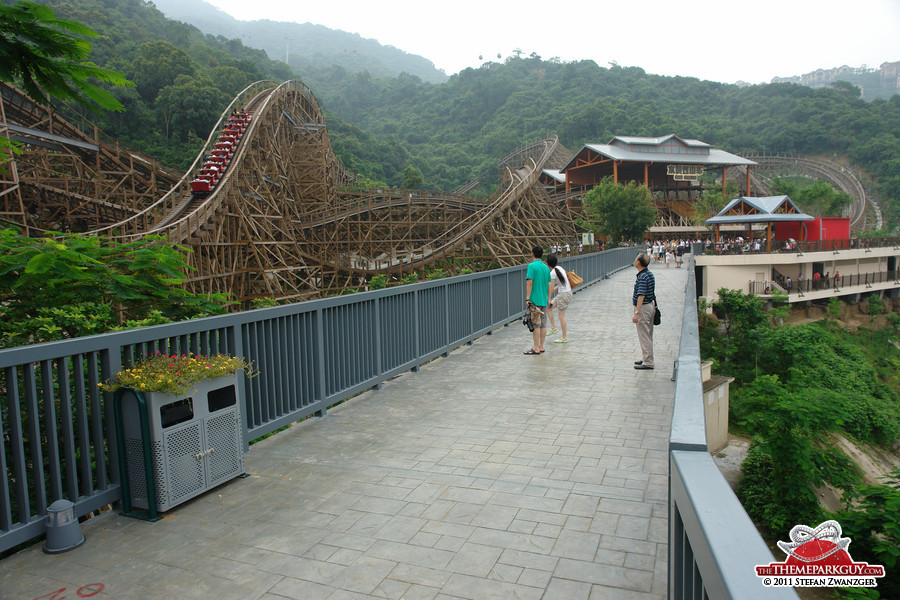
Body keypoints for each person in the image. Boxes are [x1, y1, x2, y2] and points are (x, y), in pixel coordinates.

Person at [524, 245, 551, 355]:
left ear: (532, 254)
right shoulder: (545, 267)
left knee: (535, 324)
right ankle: (541, 346)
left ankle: (535, 348)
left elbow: (529, 282)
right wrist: (548, 298)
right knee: (543, 324)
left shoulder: (531, 266)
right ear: (542, 255)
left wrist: (527, 298)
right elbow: (549, 284)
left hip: (534, 300)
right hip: (544, 299)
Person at [632, 253, 656, 370]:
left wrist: (637, 312)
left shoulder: (642, 277)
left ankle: (648, 362)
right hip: (650, 306)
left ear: (638, 262)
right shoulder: (649, 274)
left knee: (644, 335)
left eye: (636, 259)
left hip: (644, 308)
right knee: (648, 334)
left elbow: (641, 296)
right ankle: (647, 357)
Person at [546, 254, 572, 343]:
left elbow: (550, 286)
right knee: (548, 307)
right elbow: (564, 281)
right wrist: (556, 288)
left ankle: (564, 337)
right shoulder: (559, 268)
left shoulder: (552, 273)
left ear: (547, 263)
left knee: (561, 316)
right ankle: (553, 328)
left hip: (563, 294)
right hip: (565, 293)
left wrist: (549, 298)